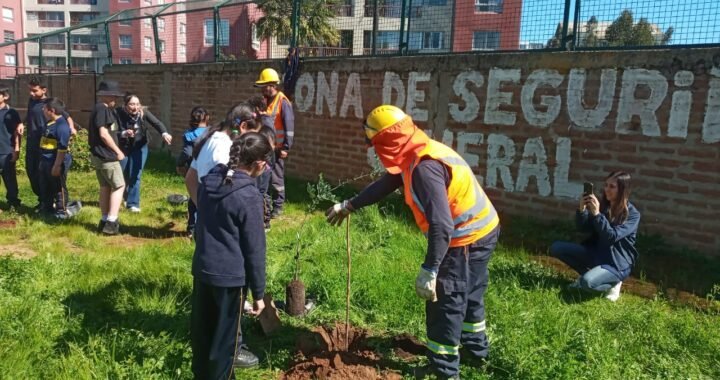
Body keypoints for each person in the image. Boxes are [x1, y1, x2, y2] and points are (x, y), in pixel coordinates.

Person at [325, 105, 500, 380]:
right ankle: (477, 355)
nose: (374, 150)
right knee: (470, 292)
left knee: (446, 301)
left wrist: (431, 269)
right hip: (484, 228)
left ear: (386, 141)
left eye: (375, 144)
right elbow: (388, 182)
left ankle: (444, 370)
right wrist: (350, 205)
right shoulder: (416, 149)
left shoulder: (424, 168)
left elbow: (442, 226)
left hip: (463, 237)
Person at [190, 132, 271, 378]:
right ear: (259, 164)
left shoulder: (209, 182)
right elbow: (255, 249)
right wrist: (259, 294)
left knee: (203, 337)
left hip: (203, 271)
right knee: (224, 345)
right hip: (230, 280)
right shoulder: (248, 196)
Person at [550, 171, 640, 302]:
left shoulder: (632, 215)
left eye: (612, 187)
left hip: (615, 263)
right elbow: (583, 229)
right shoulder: (604, 207)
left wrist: (597, 215)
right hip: (596, 254)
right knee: (557, 247)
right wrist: (582, 210)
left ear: (623, 190)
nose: (607, 190)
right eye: (606, 185)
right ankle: (592, 276)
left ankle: (613, 282)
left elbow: (612, 236)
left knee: (587, 283)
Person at [184, 103, 256, 207]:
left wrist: (201, 209)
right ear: (243, 126)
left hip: (205, 218)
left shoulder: (208, 138)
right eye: (253, 135)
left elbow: (190, 178)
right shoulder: (225, 151)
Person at [19, 76, 75, 210]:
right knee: (32, 171)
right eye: (30, 90)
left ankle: (56, 203)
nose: (31, 93)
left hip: (47, 144)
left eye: (34, 90)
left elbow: (66, 116)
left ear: (44, 90)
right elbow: (30, 114)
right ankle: (43, 200)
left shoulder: (50, 104)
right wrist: (22, 122)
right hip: (32, 142)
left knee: (48, 175)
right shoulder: (31, 101)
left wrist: (71, 128)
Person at [116, 94, 173, 213]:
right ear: (125, 105)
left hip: (140, 147)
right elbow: (112, 131)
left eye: (137, 104)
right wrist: (124, 133)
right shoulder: (118, 113)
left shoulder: (143, 112)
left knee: (135, 174)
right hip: (123, 148)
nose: (135, 107)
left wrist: (164, 134)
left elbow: (157, 123)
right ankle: (125, 197)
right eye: (132, 104)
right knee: (123, 174)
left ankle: (133, 204)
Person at [254, 68, 294, 219]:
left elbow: (289, 127)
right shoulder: (265, 100)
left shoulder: (283, 102)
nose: (263, 89)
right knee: (264, 177)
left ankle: (278, 206)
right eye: (262, 86)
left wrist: (286, 147)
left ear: (273, 85)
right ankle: (266, 206)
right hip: (265, 147)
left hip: (277, 148)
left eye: (265, 86)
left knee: (277, 178)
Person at [88, 81, 126, 235]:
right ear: (104, 95)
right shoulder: (102, 109)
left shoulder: (98, 109)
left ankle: (103, 220)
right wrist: (117, 151)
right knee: (119, 186)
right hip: (107, 156)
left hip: (98, 155)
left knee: (105, 186)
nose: (115, 99)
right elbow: (103, 134)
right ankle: (111, 222)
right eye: (113, 96)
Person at [177, 106, 210, 238]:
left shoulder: (189, 135)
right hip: (209, 168)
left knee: (194, 198)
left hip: (195, 168)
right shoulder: (212, 132)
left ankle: (192, 227)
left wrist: (179, 164)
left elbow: (187, 152)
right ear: (207, 118)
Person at [38, 98, 73, 219]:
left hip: (56, 161)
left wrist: (57, 165)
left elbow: (62, 148)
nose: (42, 110)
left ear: (51, 110)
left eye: (44, 108)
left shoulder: (62, 126)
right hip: (45, 160)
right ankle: (47, 207)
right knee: (45, 184)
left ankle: (61, 211)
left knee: (58, 186)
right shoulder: (50, 123)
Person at [0, 88, 22, 210]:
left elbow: (16, 132)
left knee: (10, 179)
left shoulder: (11, 112)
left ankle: (13, 203)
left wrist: (16, 150)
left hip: (6, 152)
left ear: (5, 96)